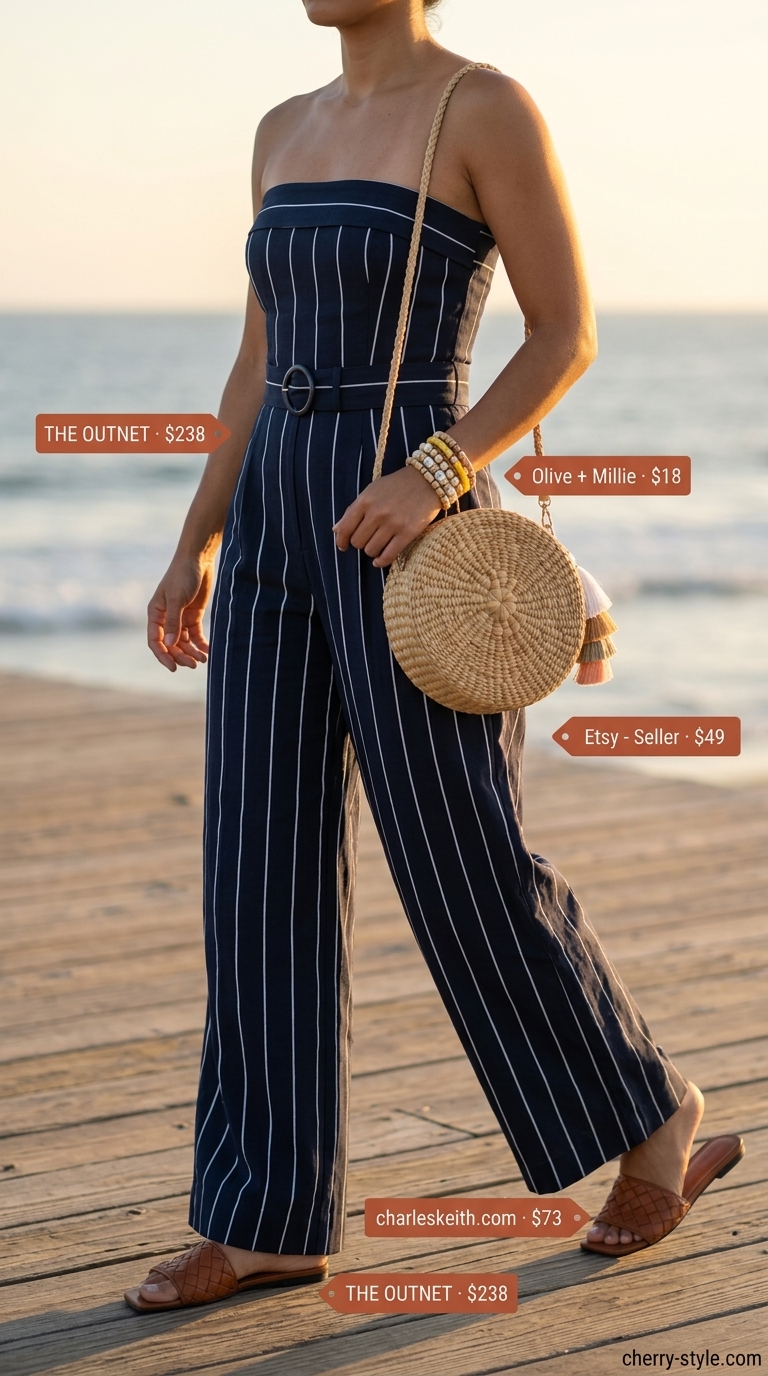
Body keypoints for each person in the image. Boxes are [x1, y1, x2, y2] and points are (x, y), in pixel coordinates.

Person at [125, 0, 742, 1313]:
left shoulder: (483, 107)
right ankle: (267, 1217)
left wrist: (439, 468)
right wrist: (199, 541)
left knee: (456, 852)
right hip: (284, 509)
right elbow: (257, 362)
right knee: (257, 862)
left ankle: (650, 1112)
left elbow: (562, 330)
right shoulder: (283, 127)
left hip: (411, 509)